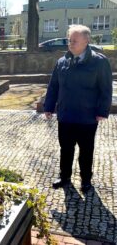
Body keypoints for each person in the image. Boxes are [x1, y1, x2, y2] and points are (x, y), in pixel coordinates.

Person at [44, 24, 112, 193]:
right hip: (66, 115)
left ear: (86, 41)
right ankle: (65, 176)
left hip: (87, 117)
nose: (70, 43)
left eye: (74, 40)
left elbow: (106, 88)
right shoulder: (62, 62)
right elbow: (53, 86)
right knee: (65, 149)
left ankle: (86, 179)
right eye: (69, 40)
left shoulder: (99, 62)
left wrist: (102, 111)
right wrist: (49, 107)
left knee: (86, 151)